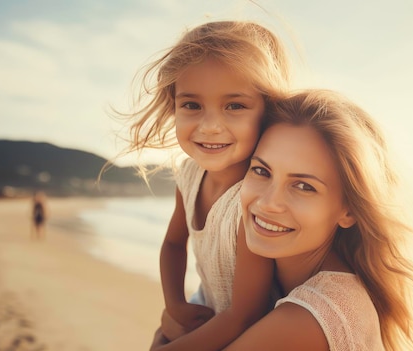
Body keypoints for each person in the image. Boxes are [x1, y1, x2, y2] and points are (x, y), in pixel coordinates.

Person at [224, 90, 413, 350]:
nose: (267, 203)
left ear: (349, 211)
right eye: (261, 171)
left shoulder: (311, 316)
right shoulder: (285, 280)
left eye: (303, 186)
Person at [116, 21, 291, 350]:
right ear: (174, 106)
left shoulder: (253, 199)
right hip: (206, 305)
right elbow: (172, 244)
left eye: (234, 106)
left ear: (267, 109)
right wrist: (175, 305)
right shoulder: (189, 174)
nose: (210, 127)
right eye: (192, 105)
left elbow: (244, 316)